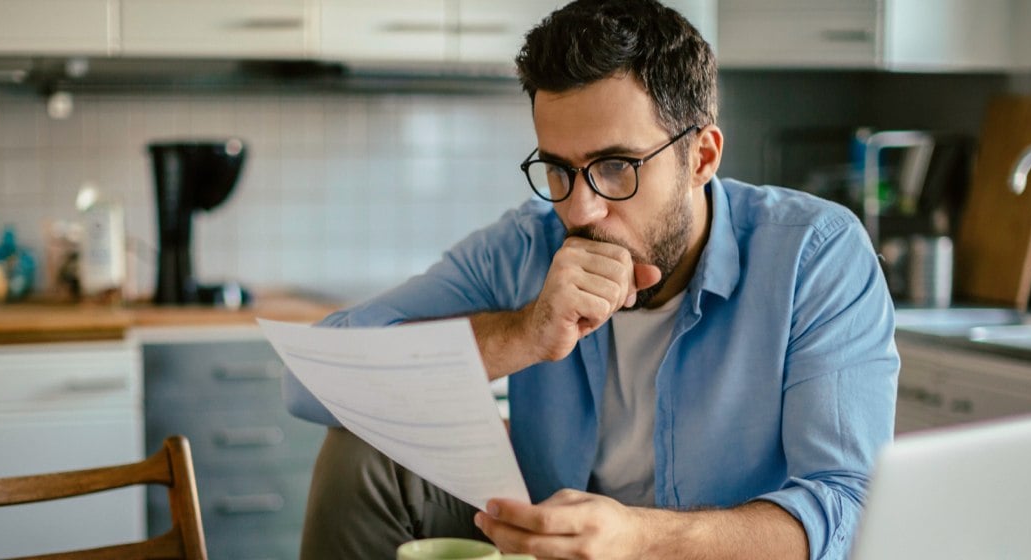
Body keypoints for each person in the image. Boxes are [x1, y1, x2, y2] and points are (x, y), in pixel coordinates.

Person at [284, 1, 899, 558]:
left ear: (703, 158)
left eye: (615, 166)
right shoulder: (526, 245)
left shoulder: (814, 254)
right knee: (363, 450)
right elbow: (308, 383)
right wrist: (523, 334)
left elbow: (848, 509)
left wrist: (639, 538)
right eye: (558, 170)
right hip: (544, 544)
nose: (579, 211)